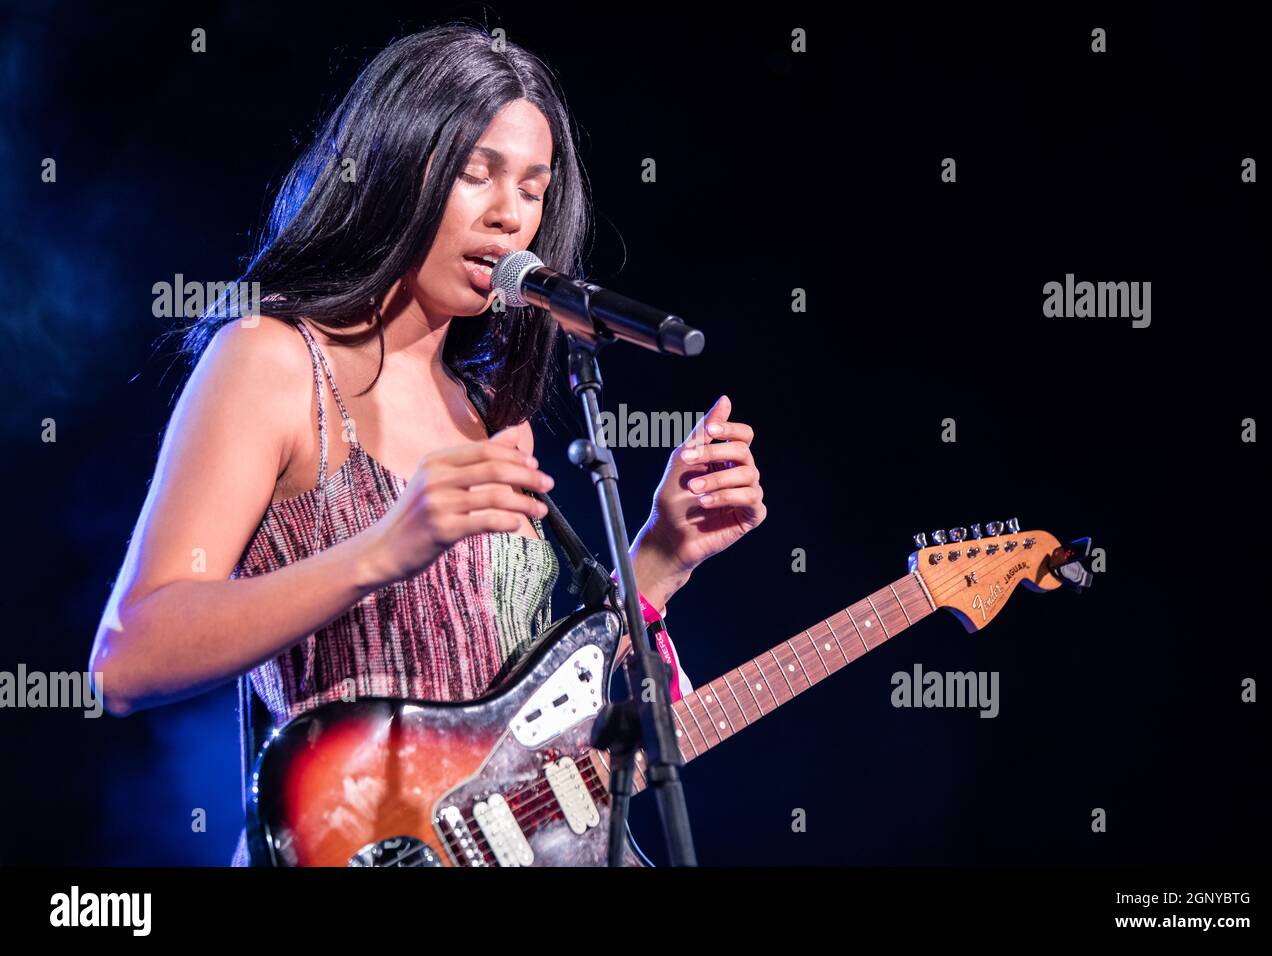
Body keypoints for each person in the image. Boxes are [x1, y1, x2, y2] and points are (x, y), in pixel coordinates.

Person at [87, 22, 766, 866]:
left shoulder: (481, 406)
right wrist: (383, 548)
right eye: (474, 173)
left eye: (533, 186)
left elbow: (514, 720)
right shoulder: (272, 359)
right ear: (391, 169)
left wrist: (662, 555)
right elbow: (127, 659)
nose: (509, 214)